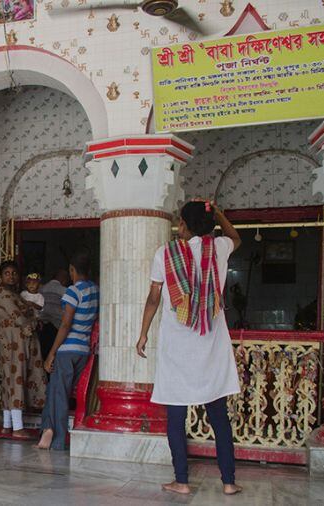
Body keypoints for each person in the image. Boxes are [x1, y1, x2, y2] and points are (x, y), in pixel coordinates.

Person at [135, 201, 243, 496]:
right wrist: (220, 214)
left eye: (180, 221)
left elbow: (154, 297)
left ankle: (181, 480)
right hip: (211, 343)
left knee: (176, 415)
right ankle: (229, 482)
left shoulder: (164, 253)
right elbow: (237, 238)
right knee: (219, 415)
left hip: (177, 346)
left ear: (183, 224)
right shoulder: (219, 247)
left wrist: (143, 334)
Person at [36, 253, 98, 450]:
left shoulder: (72, 291)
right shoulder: (96, 291)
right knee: (61, 391)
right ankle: (48, 430)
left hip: (67, 349)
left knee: (58, 393)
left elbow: (65, 324)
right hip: (84, 350)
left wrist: (52, 352)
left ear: (72, 270)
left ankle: (56, 438)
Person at [0, 260, 46, 438]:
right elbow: (19, 317)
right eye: (7, 273)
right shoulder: (4, 294)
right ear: (1, 275)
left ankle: (7, 425)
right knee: (16, 378)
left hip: (14, 341)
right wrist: (32, 318)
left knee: (10, 379)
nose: (11, 277)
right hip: (15, 342)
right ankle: (18, 428)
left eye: (14, 273)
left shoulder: (14, 294)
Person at [38, 269, 70, 363]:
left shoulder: (41, 289)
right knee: (55, 360)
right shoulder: (65, 291)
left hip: (42, 328)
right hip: (58, 329)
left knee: (43, 356)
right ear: (64, 280)